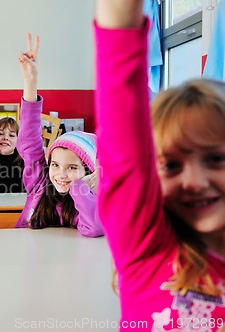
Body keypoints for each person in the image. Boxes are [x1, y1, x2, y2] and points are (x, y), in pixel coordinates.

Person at [95, 0, 225, 329]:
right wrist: (119, 17)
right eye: (171, 166)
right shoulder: (146, 248)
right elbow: (123, 145)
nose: (195, 180)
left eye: (215, 159)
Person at [13, 33, 103, 237]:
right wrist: (30, 80)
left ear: (88, 170)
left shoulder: (88, 198)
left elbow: (94, 228)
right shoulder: (39, 184)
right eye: (55, 165)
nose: (61, 174)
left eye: (72, 167)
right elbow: (28, 142)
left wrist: (81, 187)